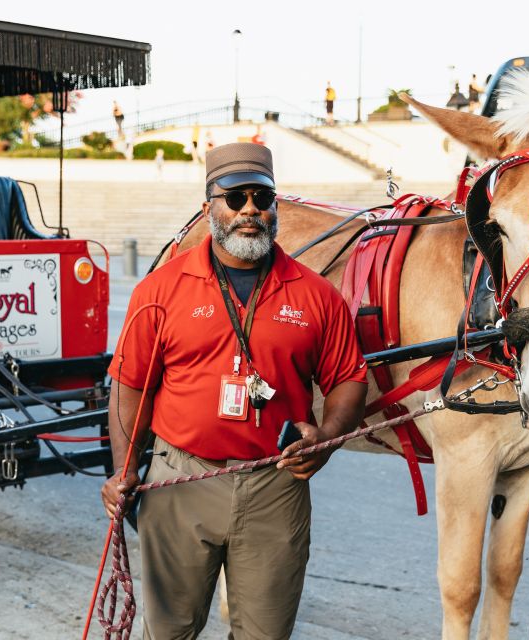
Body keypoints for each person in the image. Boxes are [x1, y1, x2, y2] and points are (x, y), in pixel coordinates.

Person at [102, 142, 368, 640]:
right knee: (167, 633)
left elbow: (348, 379)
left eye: (262, 198)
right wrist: (123, 470)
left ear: (275, 207)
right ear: (209, 209)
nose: (250, 210)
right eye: (235, 197)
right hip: (180, 481)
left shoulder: (317, 295)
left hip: (275, 487)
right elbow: (128, 385)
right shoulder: (158, 291)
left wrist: (327, 438)